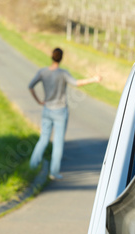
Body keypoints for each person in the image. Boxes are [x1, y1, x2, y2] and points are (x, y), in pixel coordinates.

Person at [28, 47, 101, 180]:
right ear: (61, 58)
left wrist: (39, 101)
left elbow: (30, 86)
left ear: (51, 56)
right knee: (58, 142)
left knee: (43, 139)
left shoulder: (43, 72)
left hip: (47, 109)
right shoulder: (63, 73)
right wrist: (94, 79)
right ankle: (54, 172)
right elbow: (77, 83)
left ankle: (32, 166)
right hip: (60, 111)